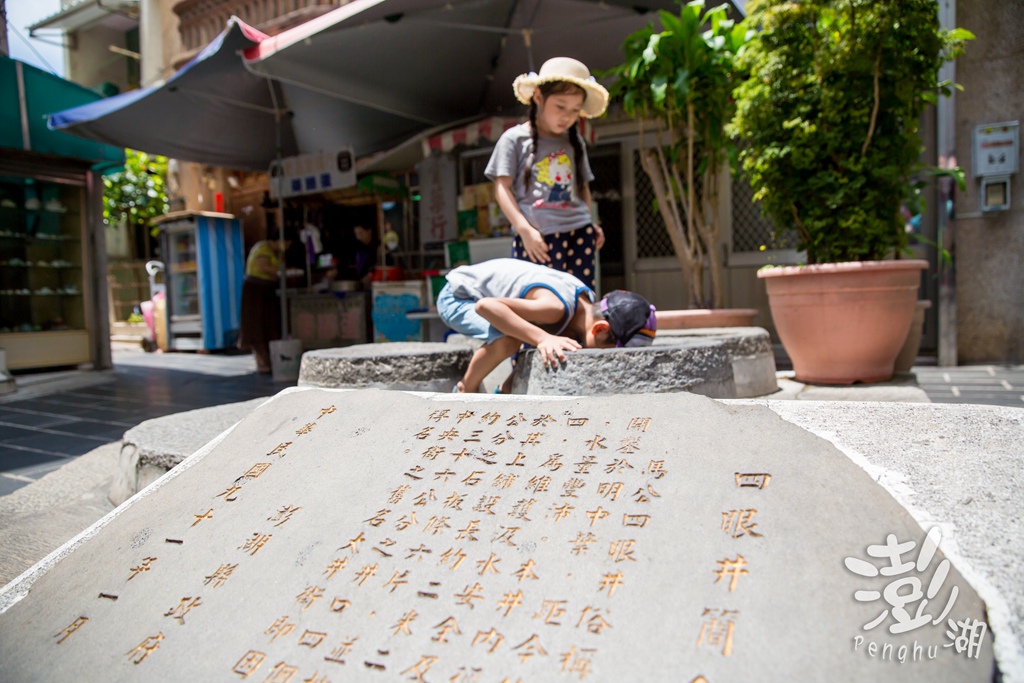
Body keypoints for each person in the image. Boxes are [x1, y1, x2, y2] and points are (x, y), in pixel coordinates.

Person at [437, 258, 656, 393]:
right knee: (510, 339)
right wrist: (542, 338)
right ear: (600, 329)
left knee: (546, 346)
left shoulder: (583, 308)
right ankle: (465, 389)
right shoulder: (555, 308)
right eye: (611, 351)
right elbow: (486, 306)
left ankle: (504, 392)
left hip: (487, 300)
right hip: (458, 296)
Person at [485, 57, 609, 291]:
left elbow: (582, 186)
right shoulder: (514, 139)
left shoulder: (575, 141)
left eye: (575, 110)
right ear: (538, 97)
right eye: (560, 107)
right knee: (538, 299)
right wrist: (524, 230)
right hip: (537, 238)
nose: (567, 117)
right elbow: (502, 188)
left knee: (579, 298)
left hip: (580, 233)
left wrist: (591, 223)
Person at [238, 236, 291, 373]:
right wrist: (282, 271)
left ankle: (267, 361)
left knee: (268, 326)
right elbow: (264, 267)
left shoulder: (275, 252)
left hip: (267, 290)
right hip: (256, 290)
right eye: (285, 243)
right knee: (257, 326)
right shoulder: (263, 248)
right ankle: (261, 362)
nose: (286, 246)